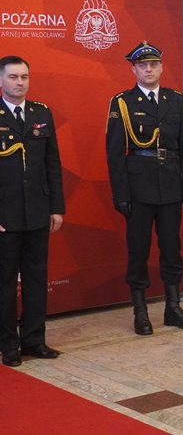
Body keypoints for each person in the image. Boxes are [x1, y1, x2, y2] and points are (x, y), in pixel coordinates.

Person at [105, 41, 183, 336]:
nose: (148, 69)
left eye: (153, 64)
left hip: (170, 183)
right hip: (138, 187)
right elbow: (115, 154)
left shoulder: (175, 100)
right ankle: (140, 311)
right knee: (139, 250)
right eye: (142, 65)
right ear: (134, 70)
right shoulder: (123, 102)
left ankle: (173, 307)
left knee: (171, 248)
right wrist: (121, 194)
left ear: (161, 68)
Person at [0, 56, 64, 367]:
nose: (20, 82)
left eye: (24, 76)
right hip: (5, 215)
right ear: (1, 81)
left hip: (38, 210)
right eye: (13, 77)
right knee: (5, 282)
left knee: (37, 278)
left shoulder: (41, 113)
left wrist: (56, 208)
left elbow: (52, 164)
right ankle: (8, 345)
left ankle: (34, 339)